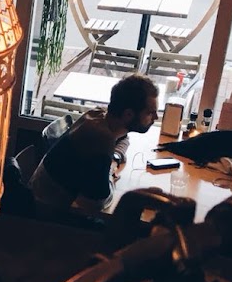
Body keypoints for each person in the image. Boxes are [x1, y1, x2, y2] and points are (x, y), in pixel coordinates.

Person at [31, 73, 158, 217]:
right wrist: (110, 174)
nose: (156, 117)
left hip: (40, 199)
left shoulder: (99, 115)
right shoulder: (101, 139)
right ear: (128, 115)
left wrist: (114, 158)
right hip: (47, 217)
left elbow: (123, 138)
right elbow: (95, 204)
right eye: (150, 113)